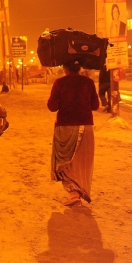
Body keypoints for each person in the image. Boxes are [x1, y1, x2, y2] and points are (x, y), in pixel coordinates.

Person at [47, 60, 99, 207]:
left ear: (64, 68)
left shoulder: (59, 83)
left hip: (65, 127)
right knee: (82, 162)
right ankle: (78, 192)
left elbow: (52, 106)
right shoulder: (88, 82)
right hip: (86, 127)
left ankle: (73, 193)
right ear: (80, 67)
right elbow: (95, 105)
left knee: (65, 161)